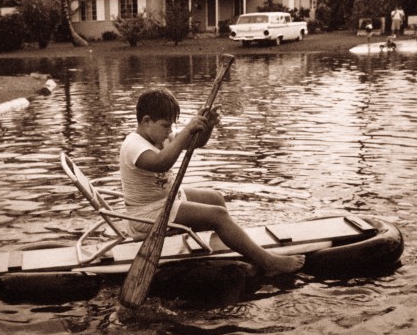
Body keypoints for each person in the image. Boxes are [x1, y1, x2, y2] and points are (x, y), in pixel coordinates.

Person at [119, 88, 305, 276]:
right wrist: (188, 129)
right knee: (218, 215)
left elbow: (196, 142)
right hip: (147, 214)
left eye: (172, 127)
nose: (169, 132)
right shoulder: (133, 145)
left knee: (215, 198)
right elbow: (161, 163)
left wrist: (207, 126)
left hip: (166, 199)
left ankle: (229, 246)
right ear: (146, 121)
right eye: (165, 126)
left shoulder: (159, 136)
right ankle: (268, 262)